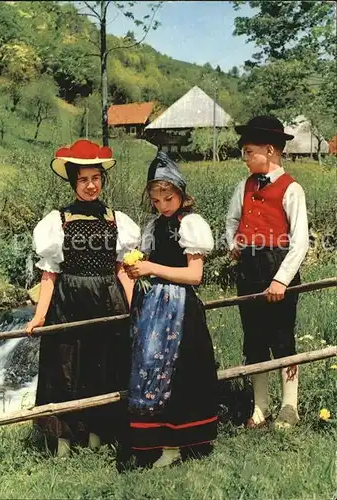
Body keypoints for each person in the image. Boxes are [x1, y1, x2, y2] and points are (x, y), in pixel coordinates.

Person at [26, 139, 140, 456]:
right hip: (69, 301)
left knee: (105, 366)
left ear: (102, 179)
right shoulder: (58, 221)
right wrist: (38, 316)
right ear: (74, 182)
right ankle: (62, 440)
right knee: (65, 368)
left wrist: (133, 308)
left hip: (107, 297)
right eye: (83, 180)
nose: (91, 186)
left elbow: (121, 270)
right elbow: (49, 275)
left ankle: (98, 435)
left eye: (96, 179)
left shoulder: (116, 220)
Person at [125, 151, 218, 468]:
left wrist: (152, 267)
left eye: (168, 197)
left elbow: (195, 275)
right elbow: (147, 266)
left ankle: (180, 444)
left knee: (179, 373)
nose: (163, 205)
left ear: (180, 193)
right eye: (156, 199)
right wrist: (138, 270)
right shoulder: (152, 227)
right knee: (152, 370)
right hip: (154, 310)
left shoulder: (190, 224)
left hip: (181, 310)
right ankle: (157, 442)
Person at [226, 116, 309, 429]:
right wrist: (233, 242)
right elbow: (233, 220)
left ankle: (290, 406)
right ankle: (260, 408)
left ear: (271, 150)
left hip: (278, 267)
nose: (245, 158)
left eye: (249, 152)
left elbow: (299, 242)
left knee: (282, 337)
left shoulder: (292, 190)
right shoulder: (243, 186)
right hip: (249, 270)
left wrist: (281, 279)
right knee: (255, 339)